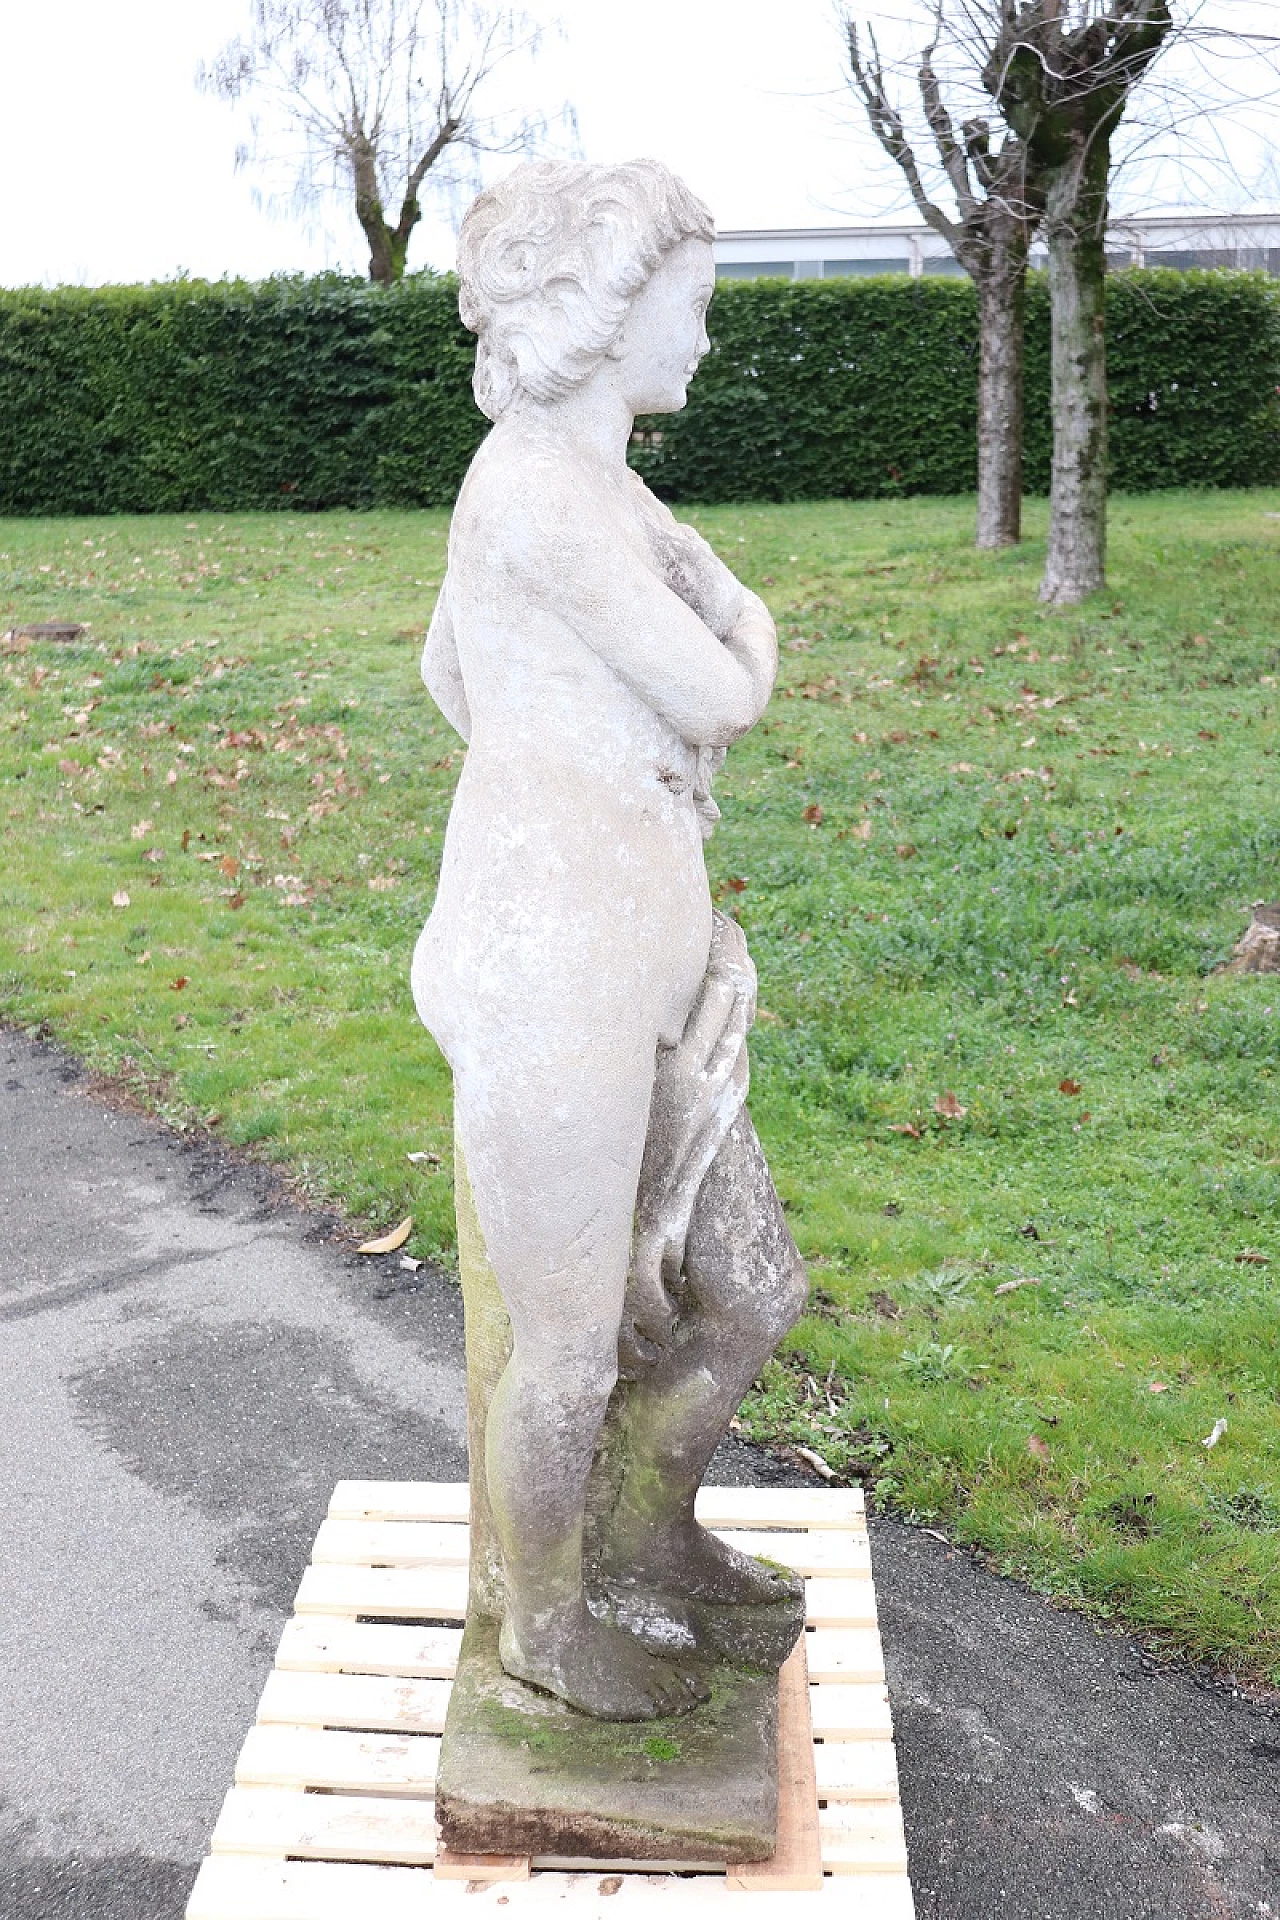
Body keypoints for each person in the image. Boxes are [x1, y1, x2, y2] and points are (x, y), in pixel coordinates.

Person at [412, 159, 807, 1721]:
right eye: (690, 310)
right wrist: (741, 631)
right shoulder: (533, 492)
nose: (703, 342)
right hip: (554, 973)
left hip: (643, 960)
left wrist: (579, 757)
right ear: (602, 310)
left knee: (752, 1291)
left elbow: (447, 669)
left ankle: (648, 1535)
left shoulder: (600, 481)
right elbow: (727, 687)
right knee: (569, 1347)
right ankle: (545, 1623)